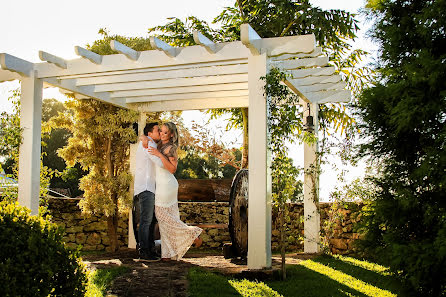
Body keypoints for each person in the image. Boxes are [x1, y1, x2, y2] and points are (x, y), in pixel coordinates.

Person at [143, 122, 202, 260]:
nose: (162, 134)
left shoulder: (170, 148)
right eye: (161, 131)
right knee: (166, 220)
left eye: (165, 132)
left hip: (167, 185)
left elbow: (172, 169)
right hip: (163, 185)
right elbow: (145, 136)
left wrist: (159, 154)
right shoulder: (160, 145)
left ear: (171, 134)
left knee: (163, 217)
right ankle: (168, 254)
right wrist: (144, 138)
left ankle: (193, 234)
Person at [133, 122, 163, 261]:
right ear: (150, 133)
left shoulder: (149, 142)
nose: (160, 132)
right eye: (157, 130)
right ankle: (144, 252)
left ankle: (150, 250)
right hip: (146, 188)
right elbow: (159, 162)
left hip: (146, 187)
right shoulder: (149, 144)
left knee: (150, 221)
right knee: (146, 221)